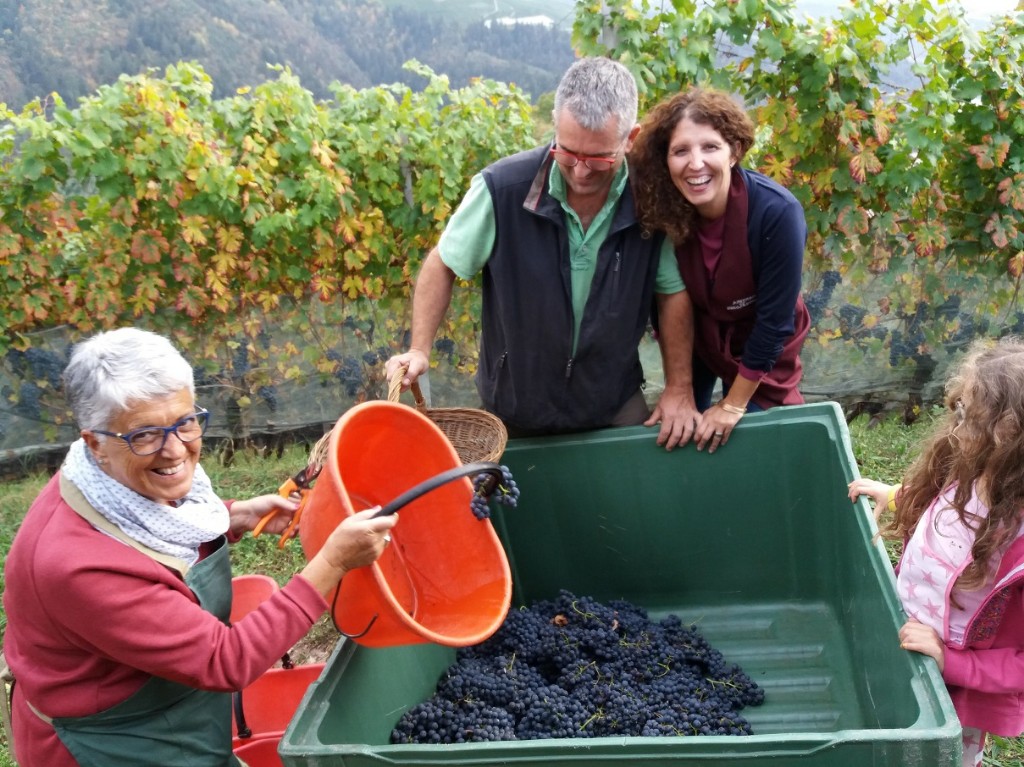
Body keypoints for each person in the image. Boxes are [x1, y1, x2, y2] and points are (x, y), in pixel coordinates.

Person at [2, 327, 397, 767]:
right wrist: (333, 562)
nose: (175, 450)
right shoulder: (78, 566)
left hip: (167, 707)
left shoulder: (111, 479)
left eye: (186, 422)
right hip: (115, 741)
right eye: (145, 435)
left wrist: (235, 514)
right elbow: (225, 660)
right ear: (94, 442)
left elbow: (156, 526)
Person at [385, 56, 699, 449]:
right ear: (554, 124)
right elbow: (443, 263)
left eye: (599, 158)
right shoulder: (502, 189)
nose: (581, 172)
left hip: (613, 404)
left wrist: (679, 387)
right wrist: (419, 349)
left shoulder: (650, 199)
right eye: (567, 153)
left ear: (630, 138)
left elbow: (672, 293)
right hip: (515, 409)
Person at [848, 337, 1024, 767]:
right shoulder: (976, 468)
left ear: (1008, 437)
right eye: (959, 411)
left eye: (970, 418)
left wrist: (952, 662)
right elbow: (948, 512)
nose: (956, 428)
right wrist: (898, 495)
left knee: (940, 757)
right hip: (910, 636)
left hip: (959, 692)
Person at [628, 87, 810, 453]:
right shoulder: (662, 211)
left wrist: (732, 405)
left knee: (754, 440)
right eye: (680, 151)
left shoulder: (777, 213)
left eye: (710, 147)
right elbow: (663, 301)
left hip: (761, 341)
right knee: (678, 431)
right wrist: (678, 391)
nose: (695, 163)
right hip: (698, 338)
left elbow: (774, 324)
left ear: (735, 151)